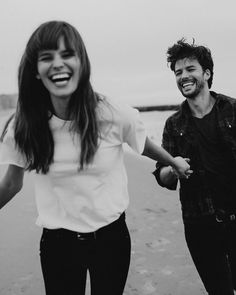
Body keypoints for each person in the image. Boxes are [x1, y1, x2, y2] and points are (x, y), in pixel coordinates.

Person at [0, 21, 190, 295]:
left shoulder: (111, 112)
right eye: (46, 57)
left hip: (111, 238)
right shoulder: (25, 126)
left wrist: (174, 161)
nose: (58, 64)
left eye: (67, 55)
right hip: (58, 243)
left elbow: (142, 143)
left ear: (82, 63)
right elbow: (10, 184)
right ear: (36, 71)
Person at [153, 38, 236, 295]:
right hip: (200, 225)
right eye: (178, 72)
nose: (183, 76)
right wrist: (173, 169)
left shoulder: (232, 109)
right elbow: (163, 177)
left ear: (207, 73)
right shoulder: (173, 124)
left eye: (190, 69)